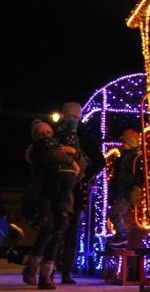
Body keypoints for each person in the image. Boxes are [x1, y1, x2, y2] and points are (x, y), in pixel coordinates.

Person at [22, 118, 81, 290]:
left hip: (64, 198)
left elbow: (81, 167)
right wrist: (72, 158)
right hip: (46, 197)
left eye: (48, 132)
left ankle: (46, 275)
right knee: (48, 229)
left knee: (57, 233)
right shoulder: (36, 149)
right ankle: (32, 267)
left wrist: (74, 153)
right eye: (41, 133)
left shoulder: (63, 146)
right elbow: (47, 161)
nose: (45, 135)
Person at [53, 101, 104, 285]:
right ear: (64, 116)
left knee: (71, 230)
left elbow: (99, 161)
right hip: (57, 187)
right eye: (70, 117)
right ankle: (50, 268)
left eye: (76, 117)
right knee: (56, 228)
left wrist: (85, 176)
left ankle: (66, 271)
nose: (73, 120)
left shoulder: (85, 137)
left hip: (75, 189)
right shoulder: (55, 134)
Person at [106, 128, 144, 249]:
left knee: (116, 213)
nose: (123, 144)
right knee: (122, 215)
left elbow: (138, 174)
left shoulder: (134, 158)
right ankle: (122, 236)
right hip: (120, 190)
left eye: (125, 142)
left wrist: (136, 187)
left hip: (125, 191)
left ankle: (123, 236)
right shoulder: (123, 157)